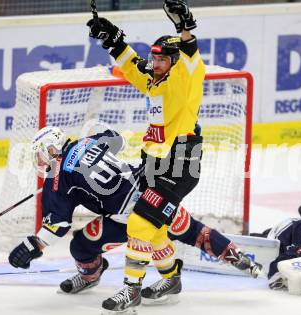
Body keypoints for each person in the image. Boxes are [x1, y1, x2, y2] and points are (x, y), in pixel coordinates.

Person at [8, 127, 262, 301]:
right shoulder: (87, 142)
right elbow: (116, 138)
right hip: (152, 189)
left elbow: (57, 226)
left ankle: (91, 274)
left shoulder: (57, 176)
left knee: (81, 245)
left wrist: (31, 246)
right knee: (189, 230)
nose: (40, 162)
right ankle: (237, 256)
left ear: (52, 149)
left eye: (41, 154)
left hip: (127, 216)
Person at [86, 0, 206, 312]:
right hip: (154, 163)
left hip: (179, 163)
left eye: (161, 58)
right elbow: (131, 66)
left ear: (175, 60)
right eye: (153, 57)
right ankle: (170, 277)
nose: (154, 63)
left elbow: (191, 56)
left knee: (139, 222)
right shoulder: (156, 81)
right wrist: (112, 39)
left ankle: (131, 290)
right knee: (155, 228)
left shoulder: (185, 79)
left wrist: (185, 28)